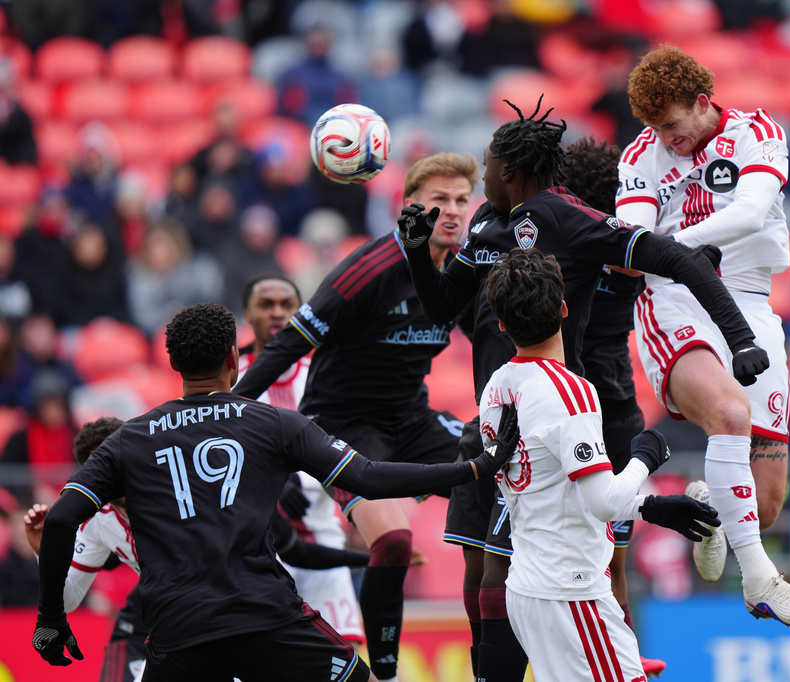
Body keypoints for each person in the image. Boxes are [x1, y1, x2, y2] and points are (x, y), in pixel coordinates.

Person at [398, 96, 770, 681]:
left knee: (512, 571)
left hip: (546, 416)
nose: (484, 177)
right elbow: (445, 305)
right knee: (484, 573)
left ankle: (595, 655)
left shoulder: (572, 220)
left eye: (489, 167)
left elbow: (680, 260)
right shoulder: (488, 226)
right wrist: (419, 253)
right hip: (493, 411)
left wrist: (741, 338)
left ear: (511, 171)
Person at [30, 302, 519, 680]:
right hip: (265, 617)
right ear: (232, 359)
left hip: (178, 633)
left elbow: (58, 520)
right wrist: (474, 468)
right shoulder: (273, 423)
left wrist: (50, 617)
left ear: (174, 363)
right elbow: (369, 477)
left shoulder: (128, 440)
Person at [233, 152, 480, 682]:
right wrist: (230, 409)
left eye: (463, 200)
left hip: (411, 417)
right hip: (343, 423)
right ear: (410, 206)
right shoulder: (368, 270)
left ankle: (510, 653)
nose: (455, 212)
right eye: (440, 201)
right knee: (393, 542)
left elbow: (498, 342)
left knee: (509, 493)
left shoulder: (466, 270)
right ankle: (386, 676)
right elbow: (284, 347)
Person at [615, 44, 790, 626]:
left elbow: (753, 212)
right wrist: (675, 259)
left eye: (674, 125)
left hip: (751, 300)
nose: (666, 138)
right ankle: (761, 581)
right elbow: (634, 244)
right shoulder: (641, 156)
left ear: (704, 102)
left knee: (766, 503)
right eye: (655, 128)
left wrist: (676, 242)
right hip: (674, 296)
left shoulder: (758, 132)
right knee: (730, 413)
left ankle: (709, 504)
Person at [481, 246, 720, 681]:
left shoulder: (497, 386)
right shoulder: (569, 392)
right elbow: (605, 502)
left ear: (501, 324)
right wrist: (646, 457)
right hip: (571, 592)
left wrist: (650, 507)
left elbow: (555, 488)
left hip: (531, 587)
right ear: (565, 309)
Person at [25, 416, 371, 682]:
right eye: (95, 467)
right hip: (176, 621)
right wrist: (46, 554)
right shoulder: (96, 519)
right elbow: (67, 598)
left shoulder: (188, 484)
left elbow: (293, 549)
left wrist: (370, 559)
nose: (107, 474)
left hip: (257, 608)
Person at [560, 136, 665, 676]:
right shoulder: (626, 249)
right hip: (616, 407)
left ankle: (618, 658)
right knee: (611, 559)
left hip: (576, 406)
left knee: (591, 557)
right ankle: (622, 657)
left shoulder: (564, 247)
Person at [237, 273, 364, 644]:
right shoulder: (232, 383)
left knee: (347, 655)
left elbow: (349, 448)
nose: (277, 313)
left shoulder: (324, 377)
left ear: (300, 313)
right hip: (255, 551)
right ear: (247, 312)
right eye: (266, 305)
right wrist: (271, 481)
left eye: (287, 305)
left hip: (323, 536)